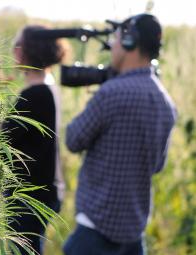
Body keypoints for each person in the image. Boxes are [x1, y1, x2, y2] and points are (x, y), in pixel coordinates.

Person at [63, 14, 177, 255]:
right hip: (133, 237)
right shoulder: (166, 103)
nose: (112, 47)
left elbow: (73, 139)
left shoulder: (110, 93)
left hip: (94, 233)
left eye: (116, 40)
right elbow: (157, 165)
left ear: (129, 43)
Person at [2, 25, 65, 254]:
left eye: (16, 46)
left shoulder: (34, 94)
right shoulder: (49, 88)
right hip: (45, 190)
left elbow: (1, 142)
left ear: (23, 52)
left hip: (29, 195)